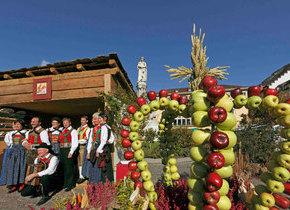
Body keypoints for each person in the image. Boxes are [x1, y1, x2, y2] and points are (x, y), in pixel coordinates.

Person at [21, 117, 50, 196]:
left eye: (34, 121)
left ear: (39, 123)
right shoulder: (29, 131)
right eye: (31, 121)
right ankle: (31, 187)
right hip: (30, 154)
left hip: (38, 153)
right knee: (30, 169)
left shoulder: (43, 131)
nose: (32, 122)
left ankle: (38, 189)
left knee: (38, 170)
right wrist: (24, 144)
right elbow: (24, 141)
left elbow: (46, 144)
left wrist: (33, 147)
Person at [6, 120, 27, 193]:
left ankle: (21, 183)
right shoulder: (12, 133)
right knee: (13, 168)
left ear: (22, 125)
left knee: (21, 167)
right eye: (16, 124)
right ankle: (14, 184)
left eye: (19, 124)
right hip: (14, 152)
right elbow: (9, 143)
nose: (17, 126)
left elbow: (27, 142)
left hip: (22, 152)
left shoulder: (26, 133)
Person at [59, 117, 78, 191]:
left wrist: (71, 152)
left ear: (70, 123)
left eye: (66, 122)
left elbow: (75, 143)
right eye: (64, 123)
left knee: (69, 167)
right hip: (62, 150)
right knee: (64, 167)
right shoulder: (62, 130)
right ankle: (66, 183)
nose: (65, 124)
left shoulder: (73, 131)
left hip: (68, 150)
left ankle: (71, 184)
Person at [98, 112, 115, 182]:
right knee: (108, 166)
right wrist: (109, 141)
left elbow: (103, 140)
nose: (99, 120)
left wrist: (98, 150)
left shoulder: (104, 127)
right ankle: (109, 182)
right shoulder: (108, 127)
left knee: (104, 166)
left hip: (103, 149)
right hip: (106, 148)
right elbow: (112, 138)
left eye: (100, 118)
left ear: (104, 119)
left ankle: (104, 184)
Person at [85, 112, 102, 184]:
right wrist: (88, 152)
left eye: (95, 119)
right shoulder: (92, 129)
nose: (93, 120)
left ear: (99, 119)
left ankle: (99, 182)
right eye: (92, 119)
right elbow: (90, 141)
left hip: (101, 149)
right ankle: (93, 181)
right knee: (93, 165)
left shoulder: (104, 128)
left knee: (100, 165)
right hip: (93, 148)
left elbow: (111, 139)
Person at [0, 122, 16, 186]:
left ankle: (11, 181)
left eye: (17, 124)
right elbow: (7, 142)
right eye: (14, 125)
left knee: (14, 166)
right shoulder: (9, 133)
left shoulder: (24, 132)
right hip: (10, 149)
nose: (15, 126)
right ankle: (4, 180)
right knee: (5, 165)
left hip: (17, 149)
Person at [76, 116, 90, 183]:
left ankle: (83, 176)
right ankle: (80, 175)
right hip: (78, 146)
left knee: (83, 161)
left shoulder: (88, 129)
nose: (82, 121)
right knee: (79, 162)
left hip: (83, 146)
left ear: (87, 121)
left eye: (83, 120)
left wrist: (77, 141)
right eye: (81, 120)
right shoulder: (78, 128)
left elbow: (86, 140)